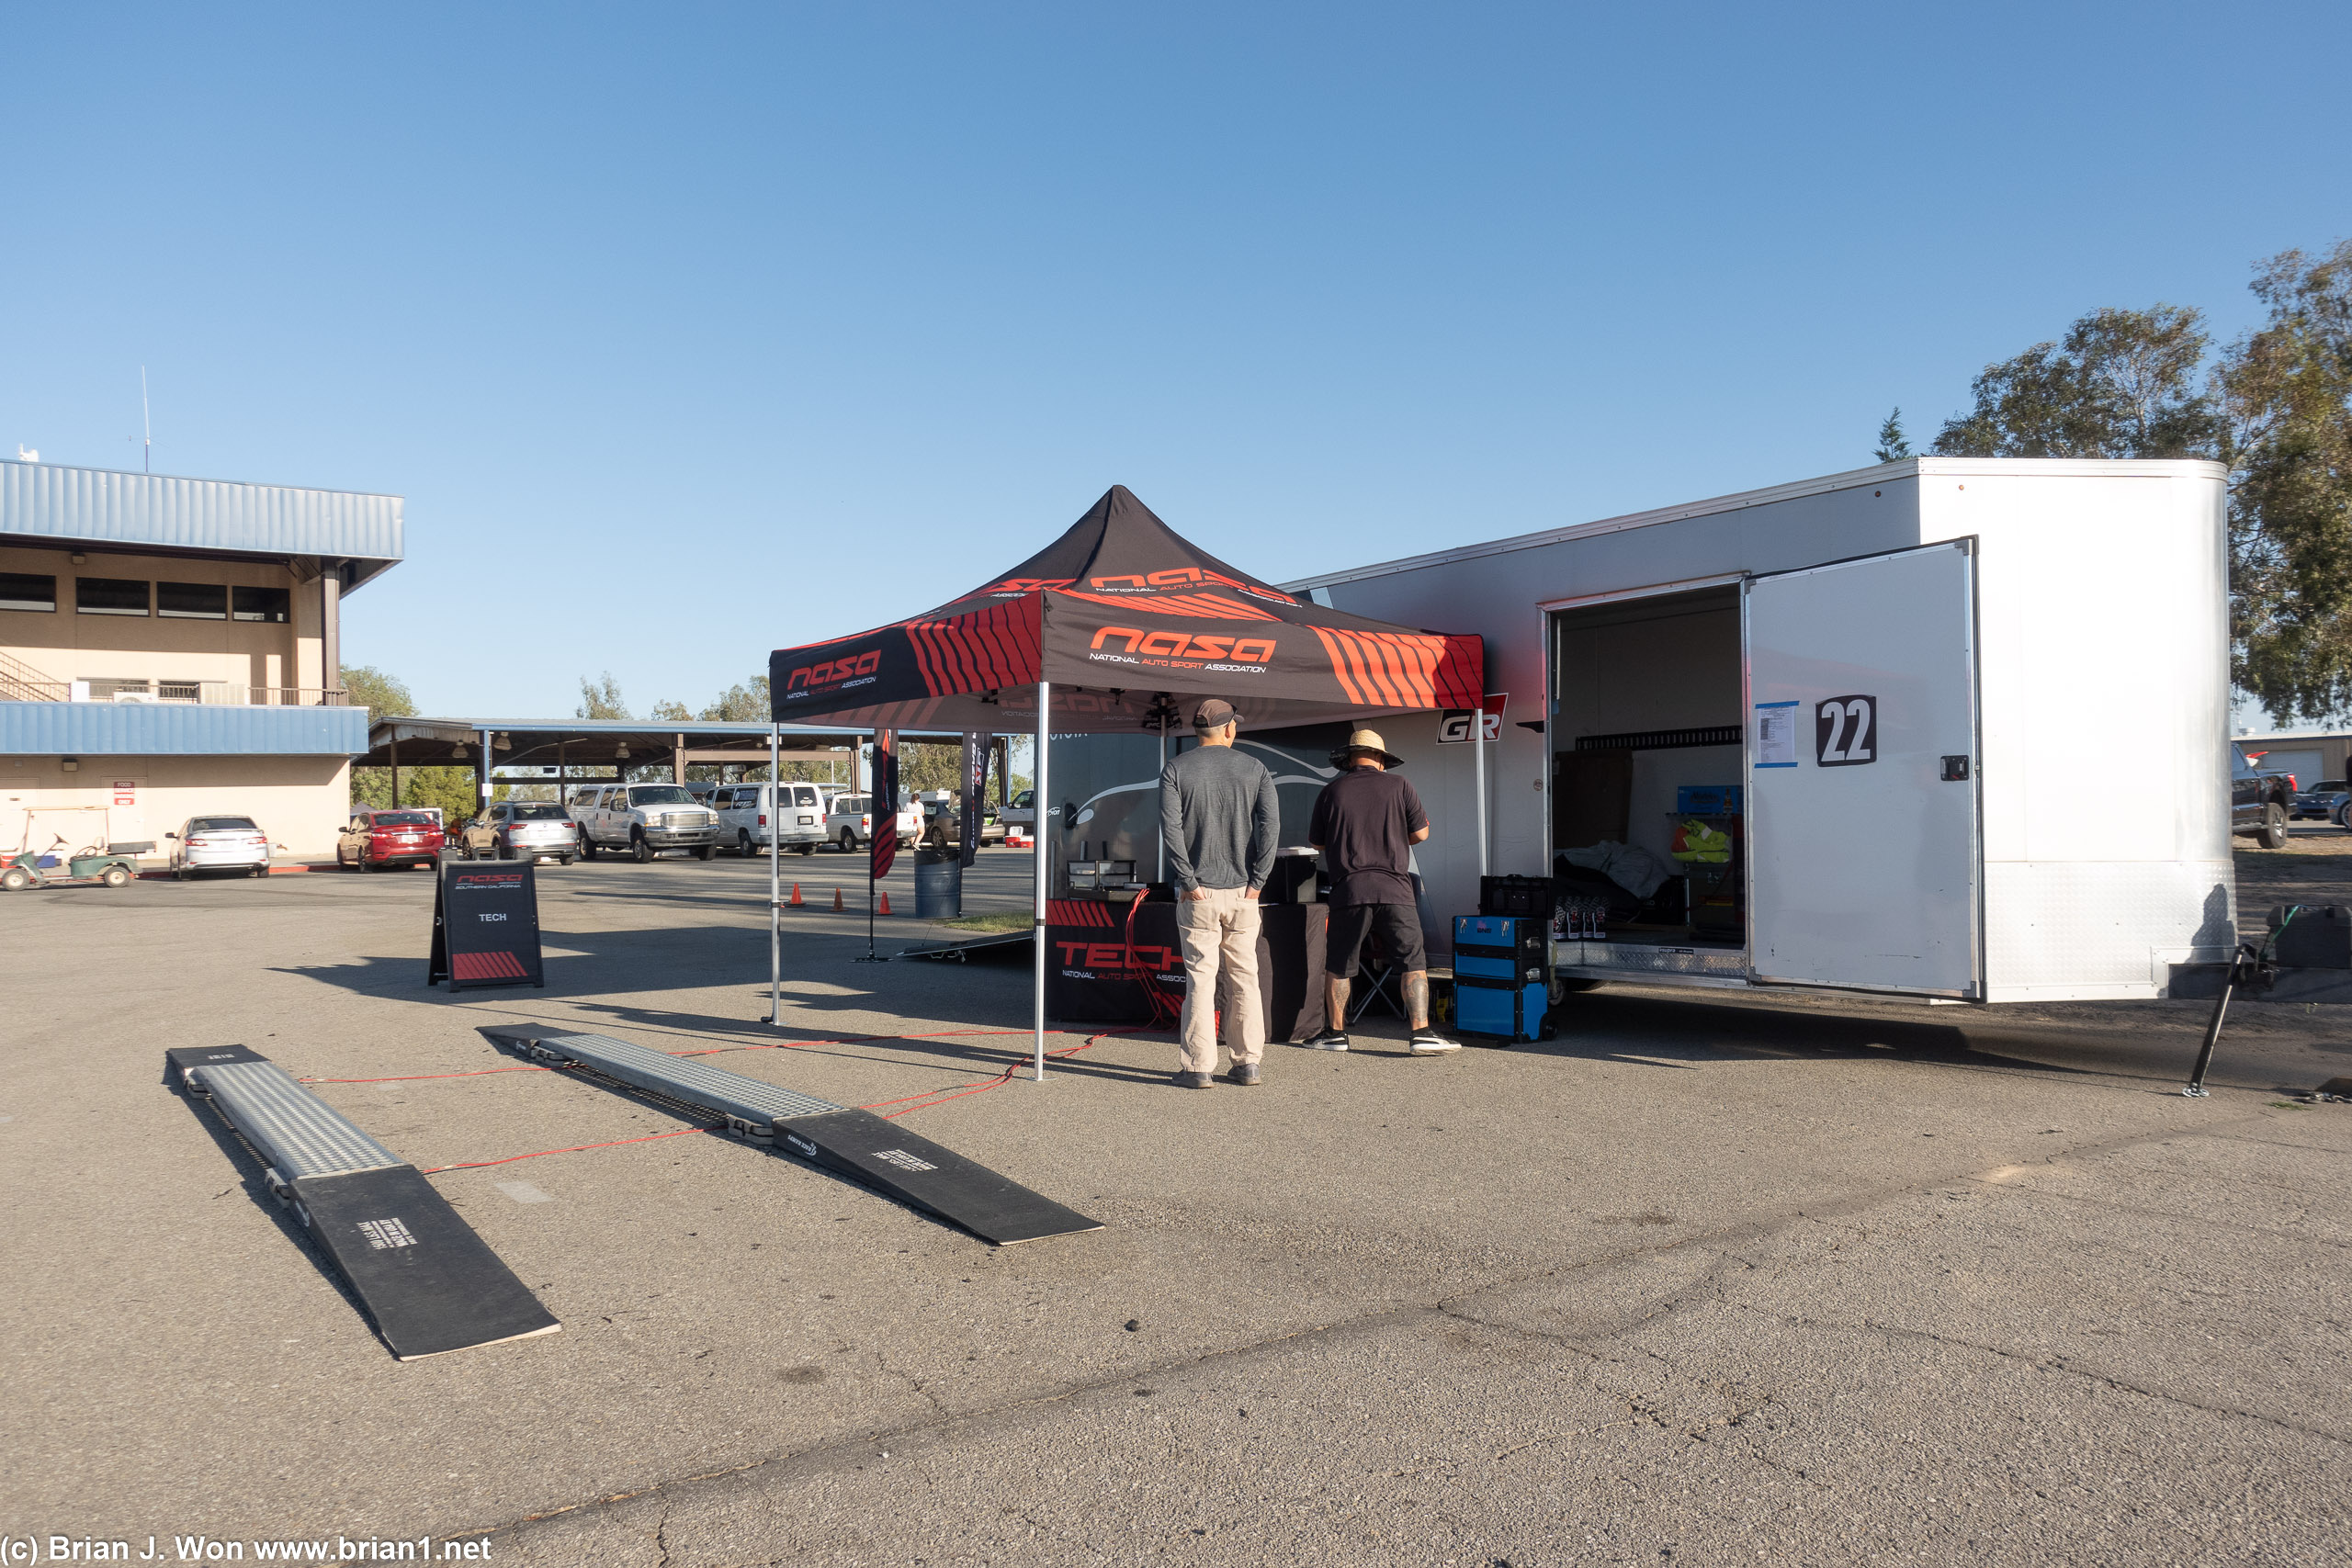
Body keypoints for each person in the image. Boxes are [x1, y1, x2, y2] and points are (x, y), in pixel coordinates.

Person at [1301, 728, 1459, 1055]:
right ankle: (1421, 1034)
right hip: (1395, 889)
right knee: (1413, 962)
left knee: (1340, 964)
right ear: (1381, 760)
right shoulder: (1401, 786)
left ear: (1348, 759)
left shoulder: (1331, 791)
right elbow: (1422, 834)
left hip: (1350, 889)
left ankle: (1335, 1034)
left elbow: (1316, 842)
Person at [1158, 698, 1280, 1089]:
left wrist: (1188, 882)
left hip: (1199, 896)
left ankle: (1197, 1068)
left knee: (1201, 978)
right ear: (1229, 729)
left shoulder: (1176, 768)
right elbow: (1270, 830)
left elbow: (1171, 831)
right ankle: (1248, 1064)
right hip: (1243, 894)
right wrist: (1257, 883)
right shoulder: (1255, 769)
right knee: (1245, 977)